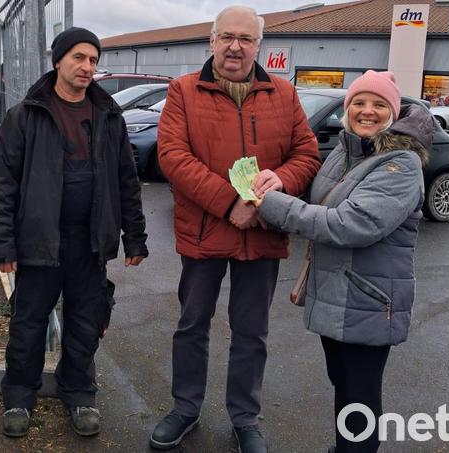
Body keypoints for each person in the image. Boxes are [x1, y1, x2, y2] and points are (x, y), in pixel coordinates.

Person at [151, 5, 321, 452]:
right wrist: (230, 205)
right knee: (192, 325)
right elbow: (173, 157)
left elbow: (306, 154)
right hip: (206, 230)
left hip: (262, 233)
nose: (235, 46)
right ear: (211, 40)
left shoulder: (283, 94)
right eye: (227, 36)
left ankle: (245, 418)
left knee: (252, 332)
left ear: (258, 46)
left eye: (246, 39)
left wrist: (281, 180)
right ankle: (185, 408)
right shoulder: (184, 91)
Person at [251, 70, 434, 452]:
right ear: (348, 108)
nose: (367, 112)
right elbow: (321, 190)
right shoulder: (347, 150)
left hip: (368, 299)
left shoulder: (400, 165)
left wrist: (272, 204)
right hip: (338, 295)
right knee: (345, 386)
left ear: (393, 112)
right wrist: (279, 180)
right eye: (359, 103)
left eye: (379, 105)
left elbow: (350, 224)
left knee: (360, 397)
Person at [0, 26, 149, 439]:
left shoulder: (109, 116)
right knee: (28, 323)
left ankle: (78, 392)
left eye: (93, 60)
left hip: (90, 242)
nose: (87, 67)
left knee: (85, 322)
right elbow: (2, 182)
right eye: (78, 57)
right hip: (40, 240)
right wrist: (1, 243)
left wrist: (136, 236)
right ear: (58, 60)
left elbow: (126, 179)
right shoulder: (27, 115)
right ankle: (20, 395)